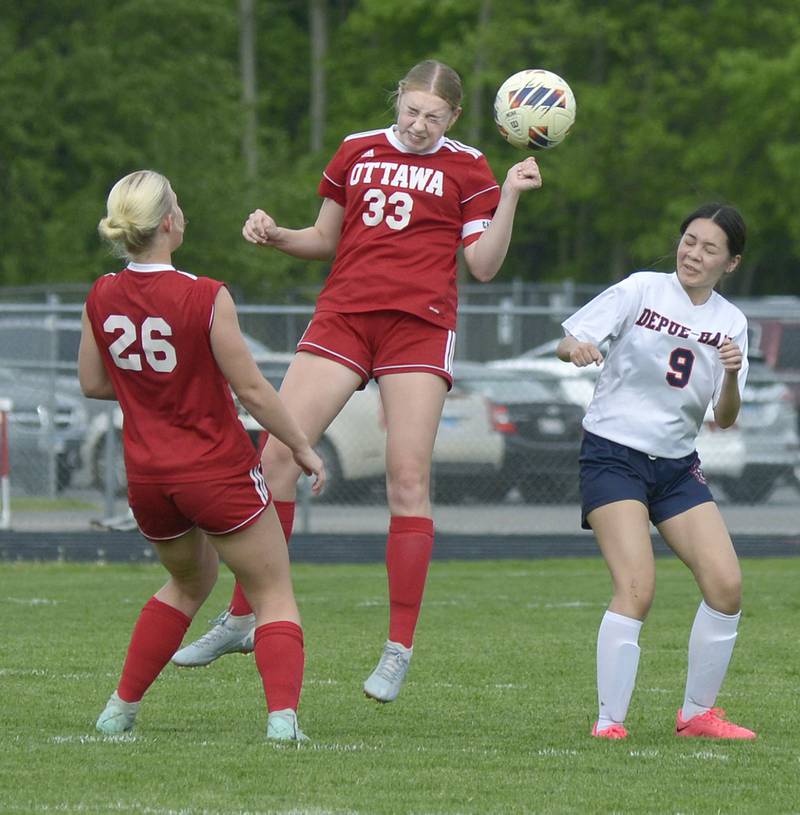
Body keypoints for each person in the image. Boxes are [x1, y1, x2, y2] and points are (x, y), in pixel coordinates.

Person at [171, 59, 543, 703]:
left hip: (419, 327)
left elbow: (481, 265)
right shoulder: (355, 150)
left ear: (453, 116)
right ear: (396, 100)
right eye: (411, 111)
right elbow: (324, 238)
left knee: (406, 479)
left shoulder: (471, 167)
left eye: (434, 116)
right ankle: (244, 615)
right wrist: (276, 235)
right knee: (275, 458)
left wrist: (509, 193)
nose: (420, 124)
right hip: (344, 318)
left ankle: (398, 649)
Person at [80, 169, 324, 741]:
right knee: (272, 592)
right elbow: (255, 391)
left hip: (147, 476)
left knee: (187, 584)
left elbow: (93, 383)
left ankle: (119, 709)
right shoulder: (204, 293)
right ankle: (283, 722)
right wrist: (301, 445)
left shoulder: (102, 292)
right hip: (213, 469)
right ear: (168, 223)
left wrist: (153, 389)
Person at [557, 203, 757, 740]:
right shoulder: (641, 288)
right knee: (637, 587)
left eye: (709, 248)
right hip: (612, 455)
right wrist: (577, 347)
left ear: (730, 263)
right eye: (689, 240)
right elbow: (567, 340)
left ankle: (696, 716)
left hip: (675, 466)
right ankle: (609, 723)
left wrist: (734, 376)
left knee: (727, 585)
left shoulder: (731, 322)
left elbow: (726, 417)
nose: (693, 253)